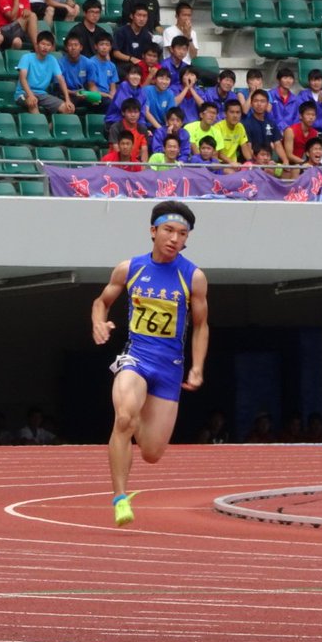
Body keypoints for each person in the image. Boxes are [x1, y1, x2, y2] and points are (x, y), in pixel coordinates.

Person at [91, 201, 208, 526]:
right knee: (124, 419)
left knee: (152, 453)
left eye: (182, 234)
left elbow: (201, 325)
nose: (174, 238)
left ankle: (141, 413)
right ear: (153, 231)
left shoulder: (193, 277)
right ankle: (119, 498)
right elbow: (101, 302)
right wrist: (98, 322)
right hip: (136, 358)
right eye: (168, 230)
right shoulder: (130, 269)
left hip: (169, 368)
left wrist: (197, 367)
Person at [16, 31, 74, 115]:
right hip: (23, 93)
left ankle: (50, 127)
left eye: (48, 45)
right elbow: (22, 78)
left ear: (52, 47)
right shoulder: (26, 57)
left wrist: (67, 100)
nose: (45, 47)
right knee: (33, 102)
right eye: (43, 44)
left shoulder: (52, 60)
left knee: (68, 109)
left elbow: (61, 79)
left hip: (42, 94)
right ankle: (40, 127)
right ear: (37, 44)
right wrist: (30, 95)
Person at [242, 89, 287, 164]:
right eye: (256, 101)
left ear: (267, 104)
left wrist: (285, 161)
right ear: (251, 104)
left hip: (267, 161)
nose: (259, 104)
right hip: (252, 163)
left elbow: (278, 145)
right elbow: (248, 148)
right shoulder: (245, 124)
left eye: (262, 101)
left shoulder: (271, 123)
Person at [283, 101, 320, 168]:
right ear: (300, 116)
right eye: (308, 114)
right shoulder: (290, 131)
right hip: (289, 166)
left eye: (313, 115)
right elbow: (289, 155)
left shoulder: (315, 133)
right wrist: (303, 163)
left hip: (307, 166)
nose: (311, 117)